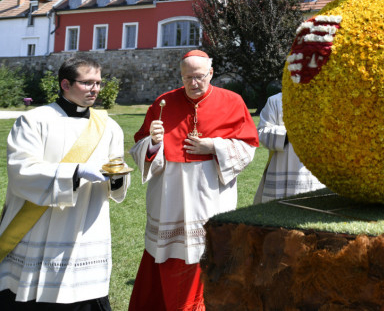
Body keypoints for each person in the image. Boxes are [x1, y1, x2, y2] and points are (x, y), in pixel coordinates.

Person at [128, 50, 258, 311]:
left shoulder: (232, 101)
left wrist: (213, 146)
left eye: (199, 76)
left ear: (211, 73)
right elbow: (141, 149)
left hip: (210, 191)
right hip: (170, 192)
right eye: (187, 77)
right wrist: (153, 142)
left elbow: (248, 147)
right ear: (181, 76)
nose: (193, 83)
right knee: (171, 254)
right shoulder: (163, 103)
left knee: (209, 252)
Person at [0, 55, 129, 309]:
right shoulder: (34, 121)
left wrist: (116, 178)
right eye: (87, 83)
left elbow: (117, 171)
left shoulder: (109, 126)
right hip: (40, 224)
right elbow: (21, 170)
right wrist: (76, 172)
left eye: (98, 83)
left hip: (87, 223)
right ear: (65, 84)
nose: (95, 89)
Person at [253, 92, 323, 204]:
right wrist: (288, 133)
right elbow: (262, 132)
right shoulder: (275, 101)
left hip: (312, 171)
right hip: (282, 167)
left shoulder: (324, 100)